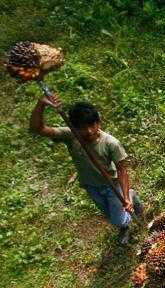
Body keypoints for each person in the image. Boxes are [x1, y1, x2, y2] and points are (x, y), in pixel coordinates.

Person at [30, 94, 142, 245]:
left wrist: (126, 199)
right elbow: (37, 128)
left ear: (98, 122)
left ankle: (130, 199)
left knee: (117, 219)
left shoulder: (110, 143)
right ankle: (123, 220)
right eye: (83, 128)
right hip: (91, 186)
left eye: (92, 125)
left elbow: (122, 170)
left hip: (111, 185)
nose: (89, 131)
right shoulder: (70, 136)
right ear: (74, 127)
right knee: (109, 215)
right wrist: (41, 104)